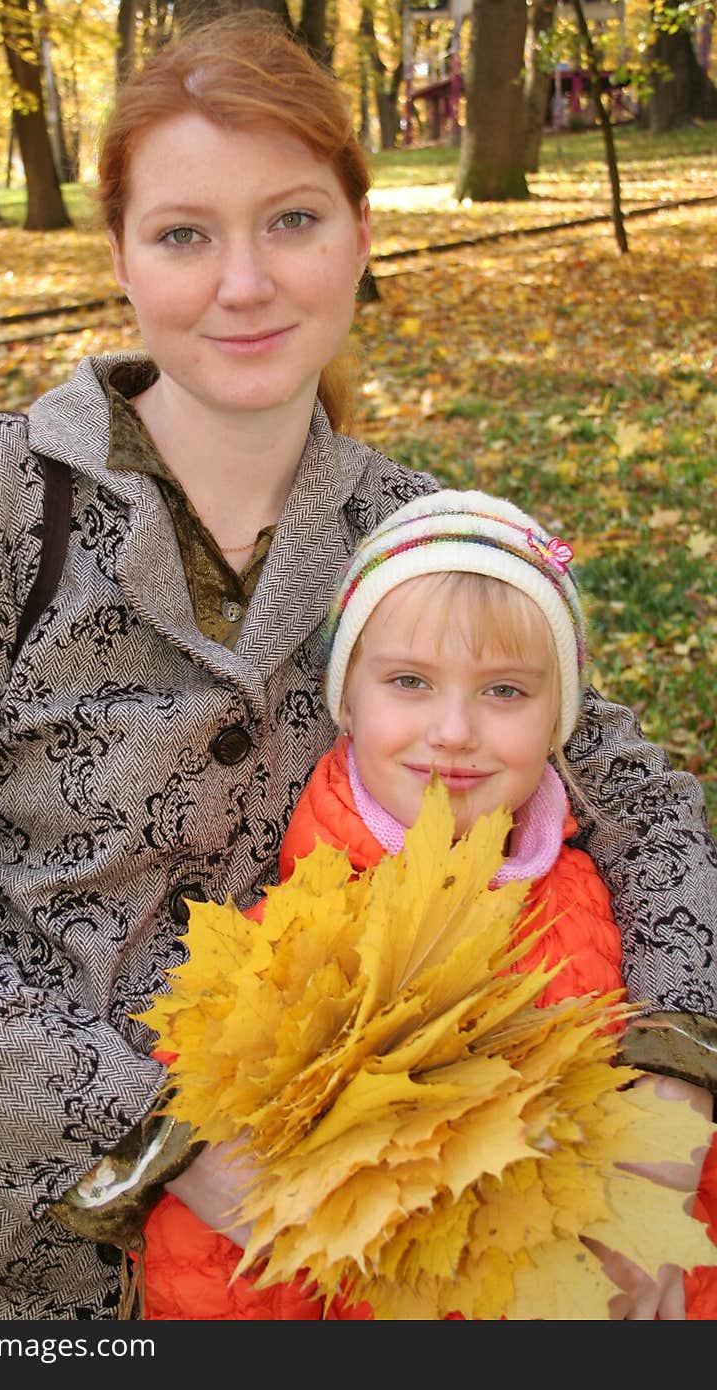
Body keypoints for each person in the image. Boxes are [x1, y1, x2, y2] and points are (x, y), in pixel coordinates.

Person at [0, 13, 714, 1321]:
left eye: (293, 220)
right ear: (123, 256)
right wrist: (167, 1138)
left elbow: (638, 797)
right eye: (185, 233)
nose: (243, 283)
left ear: (363, 236)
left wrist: (673, 1082)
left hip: (342, 1285)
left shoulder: (421, 540)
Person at [139, 488, 717, 1321]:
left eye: (506, 692)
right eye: (410, 681)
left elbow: (682, 1190)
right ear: (347, 701)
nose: (453, 730)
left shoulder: (619, 914)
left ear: (562, 716)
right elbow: (221, 1262)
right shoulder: (278, 959)